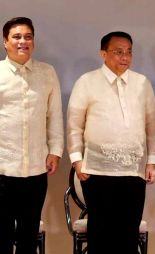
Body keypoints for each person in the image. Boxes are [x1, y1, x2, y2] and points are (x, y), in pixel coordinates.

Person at [67, 31, 155, 254]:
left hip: (133, 170)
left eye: (129, 52)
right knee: (101, 234)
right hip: (97, 171)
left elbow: (151, 124)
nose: (125, 57)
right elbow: (74, 125)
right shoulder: (87, 82)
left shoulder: (142, 83)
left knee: (129, 234)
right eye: (119, 52)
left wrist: (152, 161)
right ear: (103, 54)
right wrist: (77, 159)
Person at [0, 17, 64, 254]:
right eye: (16, 37)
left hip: (35, 170)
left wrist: (55, 150)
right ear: (5, 41)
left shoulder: (47, 72)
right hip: (3, 170)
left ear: (33, 42)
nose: (22, 42)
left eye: (28, 37)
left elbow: (54, 116)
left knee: (28, 236)